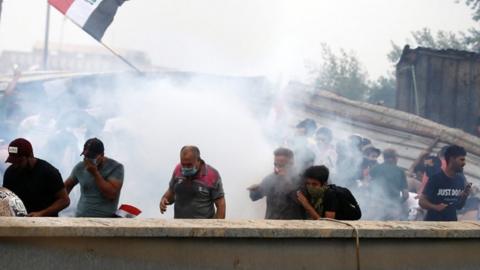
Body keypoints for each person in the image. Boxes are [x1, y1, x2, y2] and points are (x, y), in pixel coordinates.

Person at [2, 138, 70, 216]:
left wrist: (41, 214)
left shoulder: (48, 172)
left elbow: (64, 200)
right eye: (13, 161)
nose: (15, 165)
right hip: (19, 222)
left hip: (46, 224)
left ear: (30, 156)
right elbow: (6, 199)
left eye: (19, 161)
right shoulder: (10, 173)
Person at [160, 146, 225, 219]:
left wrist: (216, 228)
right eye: (183, 164)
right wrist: (164, 199)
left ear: (198, 160)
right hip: (180, 226)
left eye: (189, 165)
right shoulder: (178, 170)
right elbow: (171, 191)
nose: (186, 168)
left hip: (203, 228)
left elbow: (221, 205)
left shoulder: (212, 175)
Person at [64, 138, 124, 217]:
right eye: (86, 156)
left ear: (102, 155)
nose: (88, 160)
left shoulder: (115, 167)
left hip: (105, 221)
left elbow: (111, 194)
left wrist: (95, 173)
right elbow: (65, 187)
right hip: (80, 218)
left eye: (92, 157)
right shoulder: (80, 167)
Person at [248, 147, 304, 219]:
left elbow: (301, 201)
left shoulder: (300, 179)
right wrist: (254, 190)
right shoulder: (271, 178)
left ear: (291, 163)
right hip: (272, 223)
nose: (278, 167)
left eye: (282, 165)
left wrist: (286, 180)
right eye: (275, 164)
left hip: (293, 225)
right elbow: (254, 197)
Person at [419, 145, 471, 221]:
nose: (464, 163)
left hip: (451, 225)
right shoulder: (436, 178)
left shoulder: (460, 180)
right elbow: (421, 201)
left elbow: (459, 206)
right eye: (461, 160)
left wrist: (464, 196)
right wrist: (435, 207)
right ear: (452, 159)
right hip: (433, 224)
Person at [369, 148, 409, 220]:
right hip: (393, 206)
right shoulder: (400, 171)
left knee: (375, 226)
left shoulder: (375, 168)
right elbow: (405, 195)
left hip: (377, 205)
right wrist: (397, 203)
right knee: (390, 228)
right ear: (394, 158)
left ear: (384, 158)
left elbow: (368, 185)